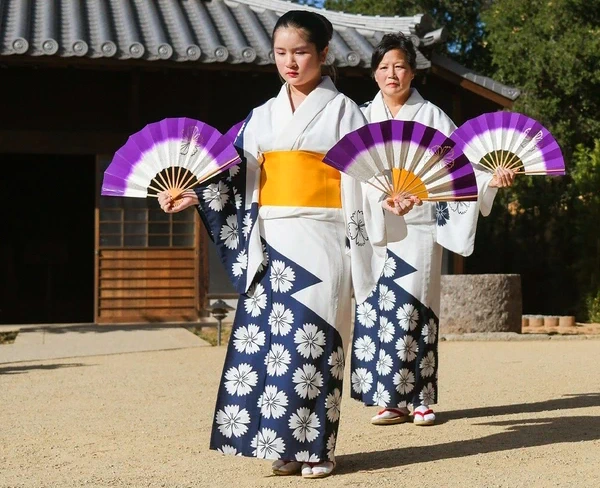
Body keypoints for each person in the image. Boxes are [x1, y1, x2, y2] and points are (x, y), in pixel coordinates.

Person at [158, 12, 416, 479]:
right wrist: (195, 191)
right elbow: (231, 175)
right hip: (270, 239)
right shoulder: (261, 117)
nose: (290, 62)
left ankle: (317, 446)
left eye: (300, 52)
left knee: (313, 340)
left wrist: (391, 197)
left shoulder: (345, 112)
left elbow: (370, 173)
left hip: (323, 236)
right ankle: (284, 444)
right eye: (281, 53)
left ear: (323, 54)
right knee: (274, 343)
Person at [350, 33, 515, 427]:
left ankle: (420, 396)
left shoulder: (432, 117)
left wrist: (492, 178)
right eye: (384, 67)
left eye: (400, 66)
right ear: (374, 73)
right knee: (377, 309)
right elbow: (349, 173)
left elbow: (463, 166)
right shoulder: (360, 117)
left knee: (416, 307)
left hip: (419, 225)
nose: (392, 74)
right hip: (374, 225)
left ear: (412, 72)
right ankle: (389, 398)